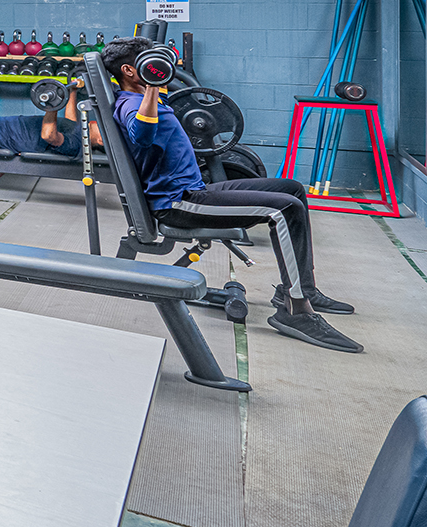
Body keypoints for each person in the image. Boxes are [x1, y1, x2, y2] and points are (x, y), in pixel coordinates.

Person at [97, 36, 361, 353]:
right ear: (129, 70)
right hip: (179, 203)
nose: (159, 66)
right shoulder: (131, 103)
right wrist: (153, 85)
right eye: (150, 61)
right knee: (283, 210)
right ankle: (296, 309)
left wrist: (159, 73)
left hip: (196, 190)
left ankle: (303, 286)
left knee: (293, 189)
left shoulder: (147, 95)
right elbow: (142, 135)